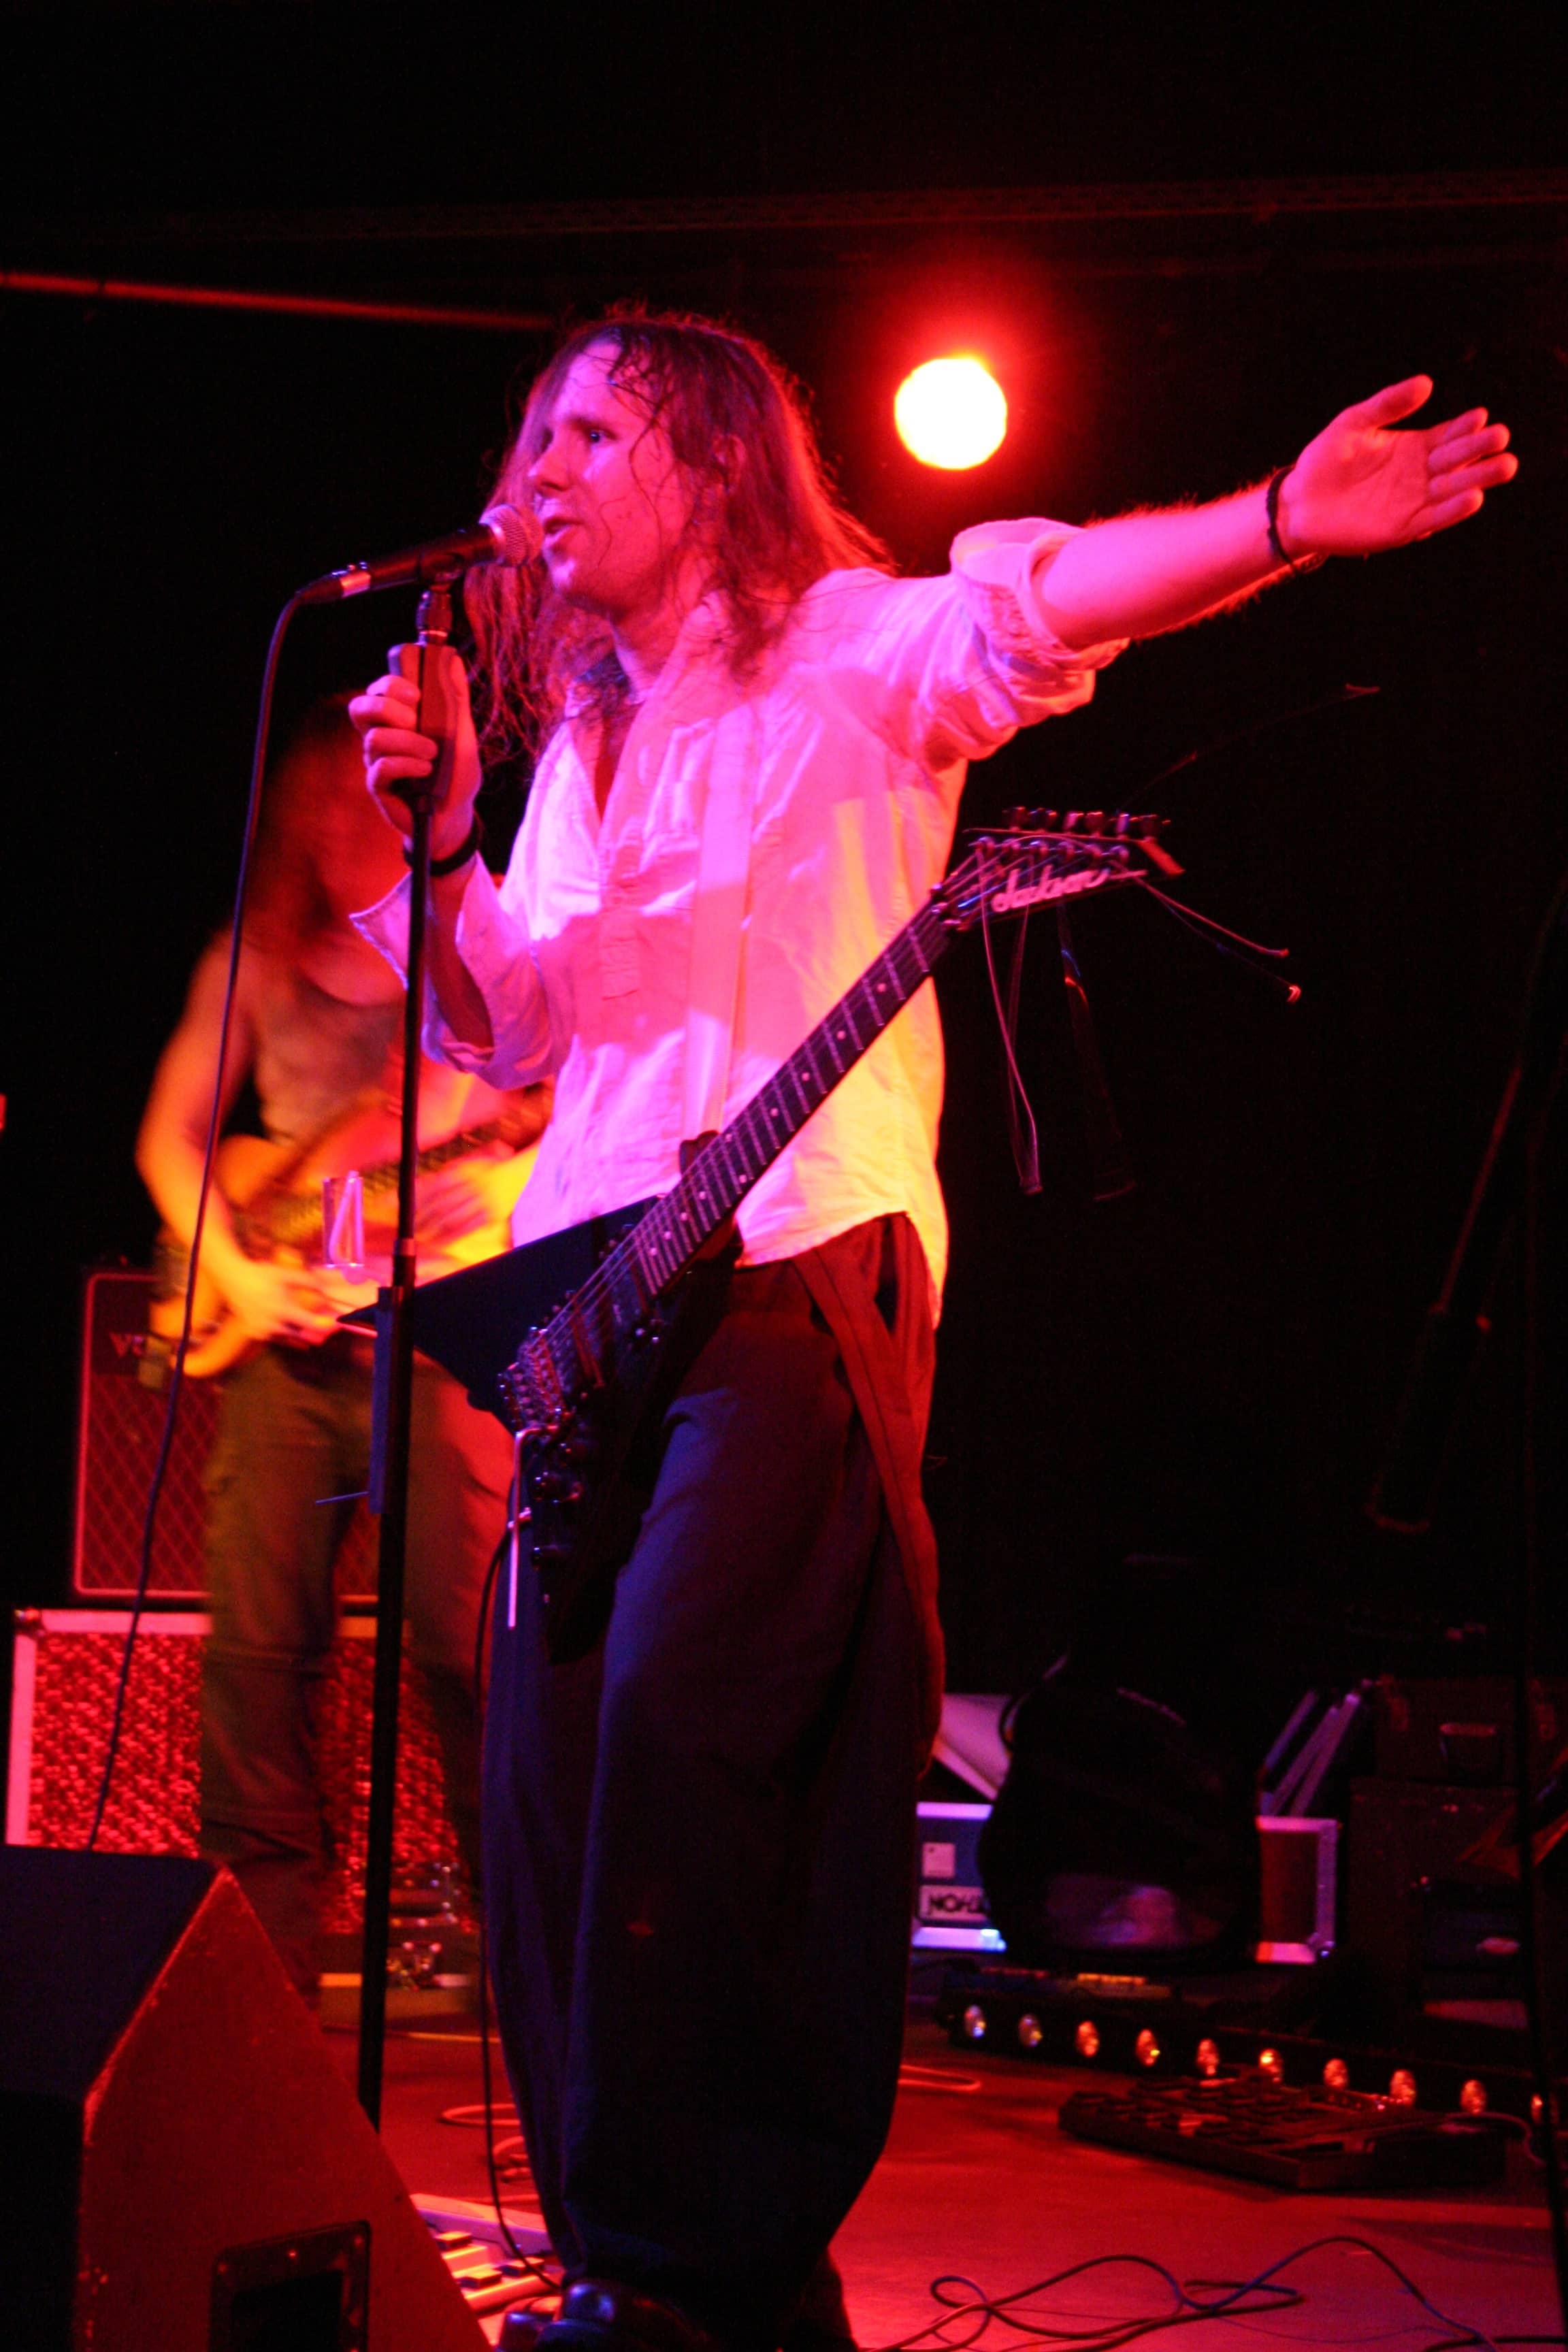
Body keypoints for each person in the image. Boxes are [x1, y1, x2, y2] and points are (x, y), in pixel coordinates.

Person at [350, 316, 1515, 2352]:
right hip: (592, 1304)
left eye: (593, 433)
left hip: (800, 1257)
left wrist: (1275, 519)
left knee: (692, 1733)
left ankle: (718, 2268)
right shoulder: (589, 751)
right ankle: (626, 2260)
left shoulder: (855, 651)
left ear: (716, 463)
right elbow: (506, 1028)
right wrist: (444, 841)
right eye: (531, 440)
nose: (540, 476)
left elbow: (1050, 601)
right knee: (551, 1779)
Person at [136, 696, 549, 1998]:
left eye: (362, 797)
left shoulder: (476, 944)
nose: (339, 823)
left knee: (466, 1648)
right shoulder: (254, 962)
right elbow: (170, 1141)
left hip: (440, 1340)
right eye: (317, 802)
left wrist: (503, 1178)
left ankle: (524, 1972)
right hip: (290, 1345)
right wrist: (246, 1282)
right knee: (257, 1658)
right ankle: (262, 1986)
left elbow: (569, 1102)